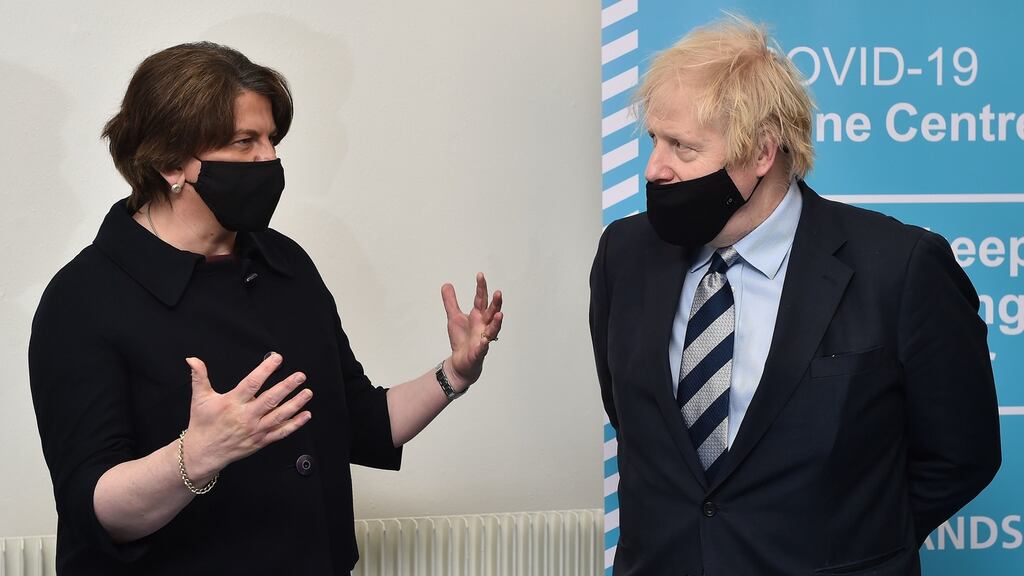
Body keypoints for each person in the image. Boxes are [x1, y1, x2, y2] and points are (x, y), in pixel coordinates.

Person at [29, 42, 503, 575]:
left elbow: (359, 422)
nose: (269, 159)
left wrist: (453, 375)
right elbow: (96, 509)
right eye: (244, 142)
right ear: (168, 162)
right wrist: (198, 456)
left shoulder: (286, 264)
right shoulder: (83, 299)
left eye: (271, 140)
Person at [589, 16, 1000, 575]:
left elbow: (961, 455)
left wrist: (848, 537)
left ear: (762, 153)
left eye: (683, 148)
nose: (654, 168)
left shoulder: (900, 269)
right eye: (654, 140)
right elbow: (631, 412)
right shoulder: (625, 255)